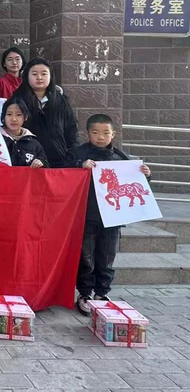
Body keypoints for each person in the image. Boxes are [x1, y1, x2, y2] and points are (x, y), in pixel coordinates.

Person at [67, 114, 151, 315]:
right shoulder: (77, 154)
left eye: (106, 133)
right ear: (87, 133)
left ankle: (102, 293)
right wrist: (79, 165)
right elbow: (63, 173)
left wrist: (146, 175)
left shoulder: (122, 158)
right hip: (86, 215)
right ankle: (85, 293)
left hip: (113, 218)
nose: (100, 137)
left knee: (107, 257)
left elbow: (138, 183)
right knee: (86, 257)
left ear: (113, 134)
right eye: (95, 132)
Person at [12, 57, 78, 168]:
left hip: (58, 160)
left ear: (50, 76)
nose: (39, 78)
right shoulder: (17, 100)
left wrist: (72, 155)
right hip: (27, 160)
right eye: (34, 74)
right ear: (27, 76)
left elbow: (71, 130)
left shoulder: (61, 101)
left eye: (44, 74)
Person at [0, 98, 48, 168]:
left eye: (18, 115)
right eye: (9, 114)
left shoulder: (34, 144)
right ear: (3, 116)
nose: (14, 119)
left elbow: (46, 166)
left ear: (25, 117)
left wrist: (41, 162)